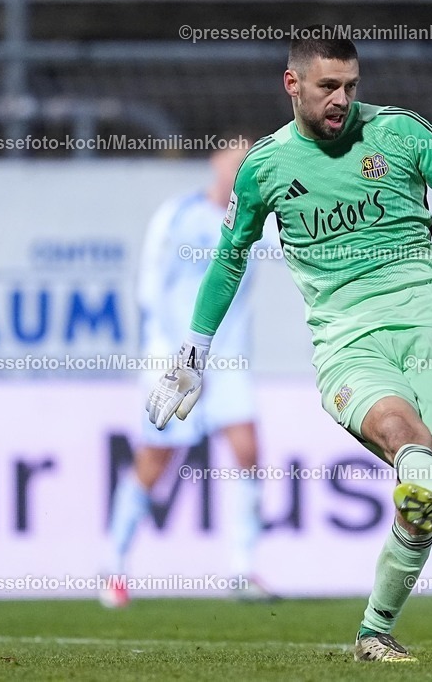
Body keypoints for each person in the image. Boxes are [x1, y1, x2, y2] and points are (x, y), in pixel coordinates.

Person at [146, 30, 432, 659]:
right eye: (327, 87)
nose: (341, 99)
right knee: (408, 443)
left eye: (350, 86)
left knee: (428, 470)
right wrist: (196, 349)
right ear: (293, 85)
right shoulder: (265, 167)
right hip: (347, 340)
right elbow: (230, 259)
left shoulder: (404, 134)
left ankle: (376, 629)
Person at [102, 136, 274, 608]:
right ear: (215, 164)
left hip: (230, 356)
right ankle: (113, 565)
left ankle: (242, 569)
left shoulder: (258, 222)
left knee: (247, 449)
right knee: (156, 460)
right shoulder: (177, 215)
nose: (238, 170)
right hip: (176, 357)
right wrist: (165, 356)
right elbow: (149, 287)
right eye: (232, 161)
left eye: (247, 164)